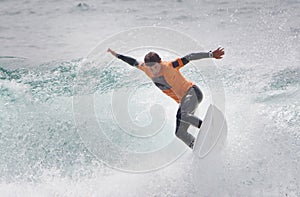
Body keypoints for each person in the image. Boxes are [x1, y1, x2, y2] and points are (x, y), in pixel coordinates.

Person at [107, 47, 224, 149]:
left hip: (192, 92)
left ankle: (208, 128)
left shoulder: (170, 66)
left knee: (183, 115)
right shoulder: (146, 69)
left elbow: (189, 57)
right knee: (179, 133)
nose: (153, 70)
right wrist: (117, 55)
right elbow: (132, 62)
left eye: (155, 67)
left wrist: (210, 54)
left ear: (160, 62)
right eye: (150, 68)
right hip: (183, 101)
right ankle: (197, 147)